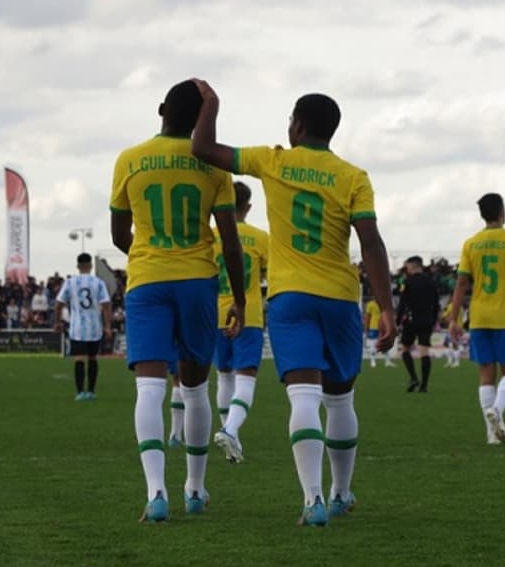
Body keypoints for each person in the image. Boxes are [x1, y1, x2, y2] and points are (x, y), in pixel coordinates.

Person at [192, 81, 396, 527]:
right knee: (340, 400)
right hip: (341, 298)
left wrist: (211, 103)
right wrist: (387, 308)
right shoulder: (354, 177)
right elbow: (372, 243)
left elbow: (203, 148)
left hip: (290, 299)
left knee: (302, 396)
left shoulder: (274, 160)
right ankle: (342, 492)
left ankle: (313, 500)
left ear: (297, 125)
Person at [110, 79, 246, 523]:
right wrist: (240, 299)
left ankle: (155, 493)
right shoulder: (212, 167)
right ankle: (195, 488)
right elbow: (230, 242)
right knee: (194, 387)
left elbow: (117, 235)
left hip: (147, 280)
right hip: (198, 281)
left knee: (148, 388)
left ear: (161, 109)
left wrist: (150, 256)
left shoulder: (129, 159)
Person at [448, 193, 505, 446]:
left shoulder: (471, 243)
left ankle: (492, 434)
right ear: (502, 212)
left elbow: (461, 284)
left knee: (486, 372)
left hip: (479, 316)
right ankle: (497, 410)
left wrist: (454, 318)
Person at [212, 181, 270, 463]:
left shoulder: (210, 236)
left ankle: (229, 434)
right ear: (247, 207)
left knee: (223, 376)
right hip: (248, 316)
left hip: (215, 315)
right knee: (245, 378)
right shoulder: (261, 238)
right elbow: (272, 275)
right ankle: (230, 429)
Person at [54, 253, 113, 401]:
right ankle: (91, 391)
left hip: (77, 328)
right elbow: (106, 305)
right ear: (91, 266)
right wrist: (108, 326)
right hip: (95, 328)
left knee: (79, 359)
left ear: (78, 266)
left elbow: (58, 304)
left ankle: (80, 392)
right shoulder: (98, 283)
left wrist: (57, 322)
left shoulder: (70, 282)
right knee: (93, 358)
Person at [396, 255, 440, 392]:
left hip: (411, 319)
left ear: (413, 266)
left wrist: (397, 321)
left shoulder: (408, 282)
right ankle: (424, 385)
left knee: (405, 349)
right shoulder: (431, 282)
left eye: (408, 267)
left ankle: (414, 377)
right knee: (424, 352)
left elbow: (402, 303)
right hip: (426, 320)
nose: (407, 269)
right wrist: (433, 321)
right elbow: (436, 304)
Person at [362, 296, 392, 368]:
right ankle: (372, 361)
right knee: (373, 345)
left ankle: (387, 361)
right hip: (373, 327)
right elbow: (368, 317)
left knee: (384, 342)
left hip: (383, 327)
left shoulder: (383, 304)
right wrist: (366, 329)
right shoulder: (370, 304)